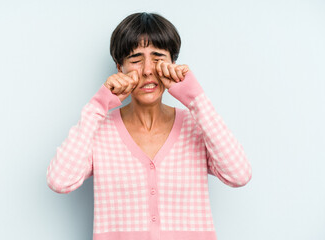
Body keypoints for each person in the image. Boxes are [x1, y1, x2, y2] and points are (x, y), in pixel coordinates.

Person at [46, 12, 252, 240]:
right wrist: (99, 104)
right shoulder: (98, 129)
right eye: (135, 60)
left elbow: (239, 175)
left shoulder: (197, 125)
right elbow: (59, 180)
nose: (146, 70)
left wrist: (196, 100)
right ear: (119, 67)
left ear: (173, 64)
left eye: (157, 58)